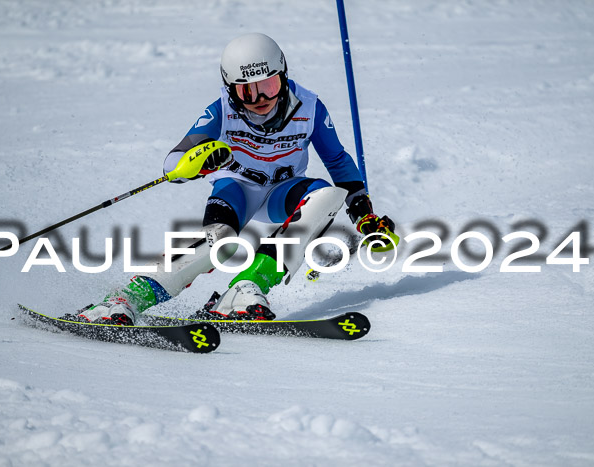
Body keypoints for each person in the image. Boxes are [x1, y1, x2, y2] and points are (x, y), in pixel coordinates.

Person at [75, 33, 395, 325]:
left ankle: (244, 289)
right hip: (236, 190)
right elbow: (172, 163)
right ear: (231, 88)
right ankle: (126, 299)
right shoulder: (220, 111)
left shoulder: (309, 107)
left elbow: (337, 160)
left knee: (326, 195)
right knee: (221, 242)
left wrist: (363, 214)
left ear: (283, 75)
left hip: (283, 193)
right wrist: (197, 163)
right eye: (247, 91)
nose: (259, 99)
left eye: (268, 86)